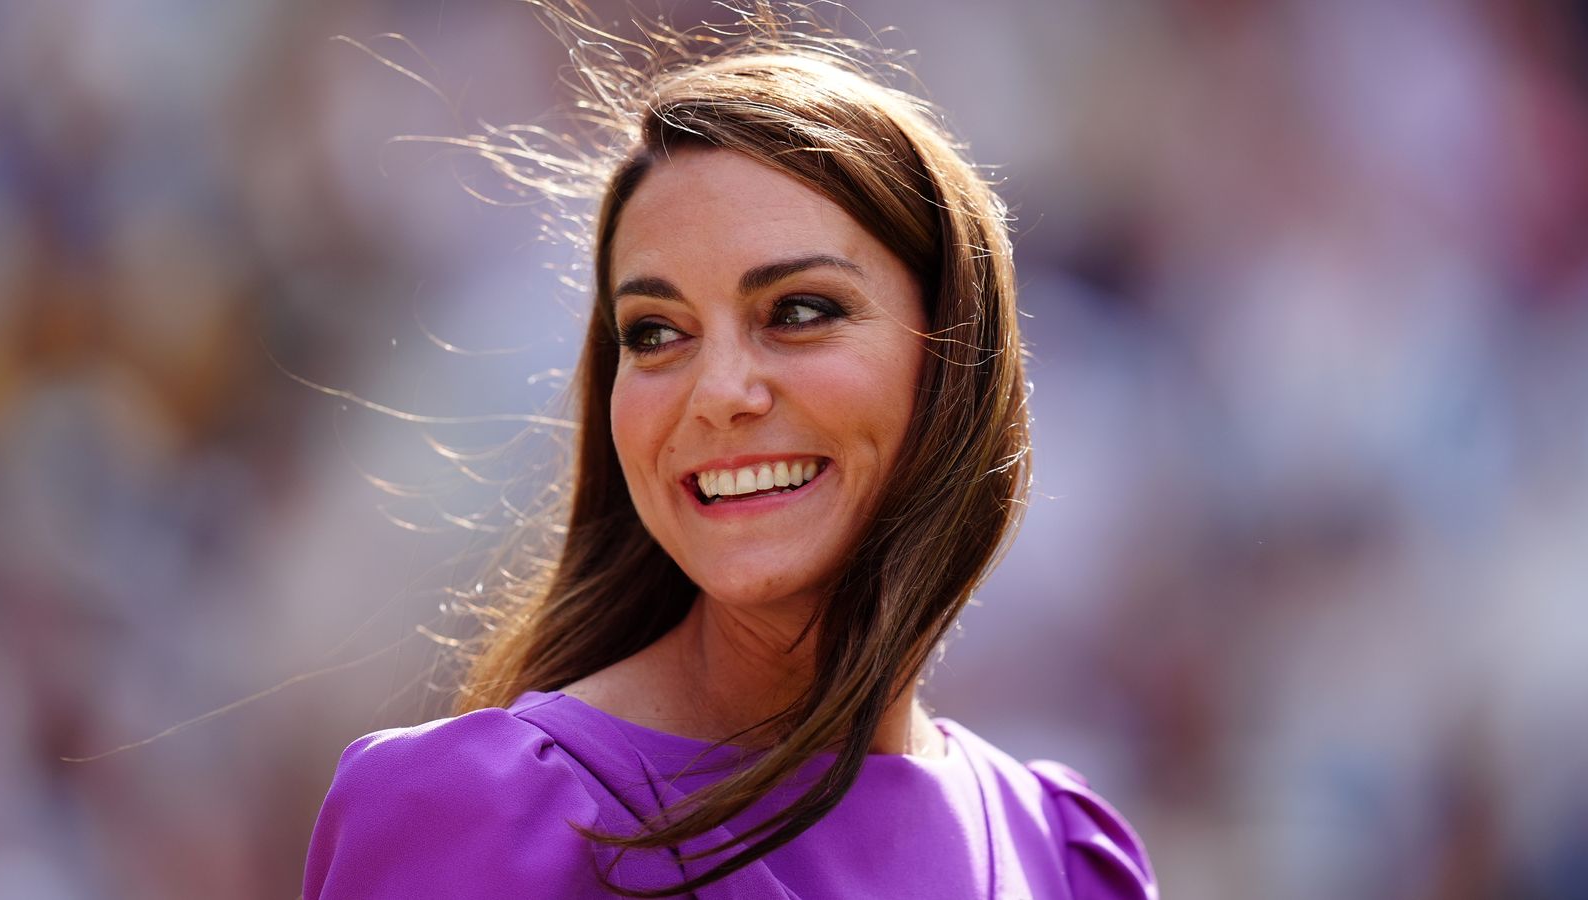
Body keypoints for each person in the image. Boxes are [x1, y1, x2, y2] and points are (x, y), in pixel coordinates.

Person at [303, 4, 1157, 898]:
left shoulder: (1065, 858)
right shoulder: (479, 814)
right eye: (657, 332)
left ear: (955, 354)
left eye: (798, 312)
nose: (717, 395)